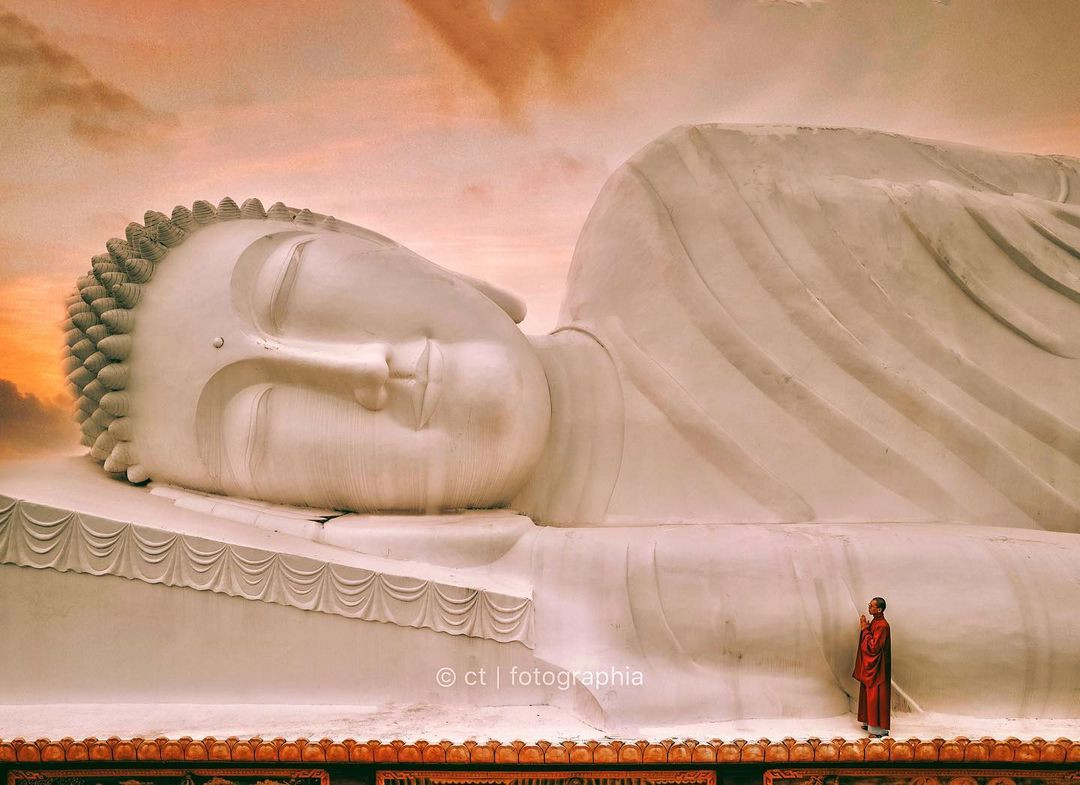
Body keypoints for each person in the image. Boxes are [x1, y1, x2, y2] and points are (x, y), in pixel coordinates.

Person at [854, 596, 891, 737]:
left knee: (876, 694)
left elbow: (874, 647)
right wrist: (867, 629)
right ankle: (868, 722)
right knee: (868, 692)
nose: (869, 607)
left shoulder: (882, 625)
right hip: (873, 666)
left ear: (879, 609)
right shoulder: (876, 621)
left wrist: (865, 630)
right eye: (869, 604)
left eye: (871, 605)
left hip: (878, 668)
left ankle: (878, 730)